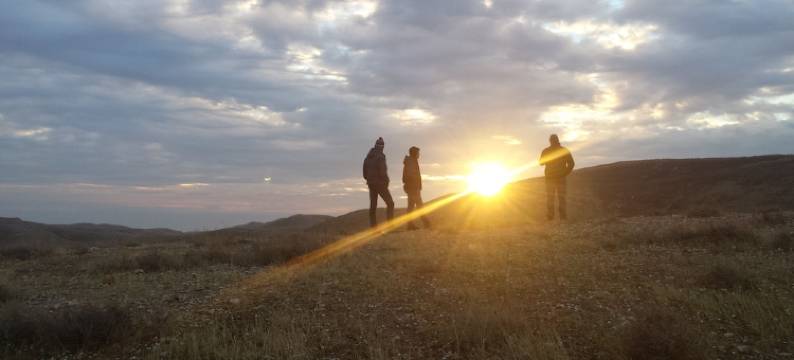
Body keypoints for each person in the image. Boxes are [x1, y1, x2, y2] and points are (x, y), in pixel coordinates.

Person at [539, 134, 575, 221]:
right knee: (560, 198)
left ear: (550, 141)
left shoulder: (546, 151)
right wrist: (565, 173)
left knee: (551, 198)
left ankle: (551, 218)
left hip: (551, 178)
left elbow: (541, 163)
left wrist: (564, 173)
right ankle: (562, 218)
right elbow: (571, 163)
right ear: (557, 140)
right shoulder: (563, 150)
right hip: (559, 178)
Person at [363, 137, 394, 227]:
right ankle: (390, 226)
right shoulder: (381, 156)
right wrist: (386, 181)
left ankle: (374, 228)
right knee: (390, 203)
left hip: (371, 184)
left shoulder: (367, 158)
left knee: (373, 206)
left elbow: (364, 174)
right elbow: (382, 172)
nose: (382, 147)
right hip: (380, 184)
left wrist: (370, 179)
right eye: (382, 145)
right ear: (382, 146)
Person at [402, 146, 431, 230]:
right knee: (419, 205)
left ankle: (410, 225)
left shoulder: (411, 161)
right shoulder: (411, 162)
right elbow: (411, 175)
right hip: (413, 188)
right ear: (414, 153)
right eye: (418, 153)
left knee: (411, 206)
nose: (419, 154)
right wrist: (416, 186)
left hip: (412, 187)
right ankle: (426, 222)